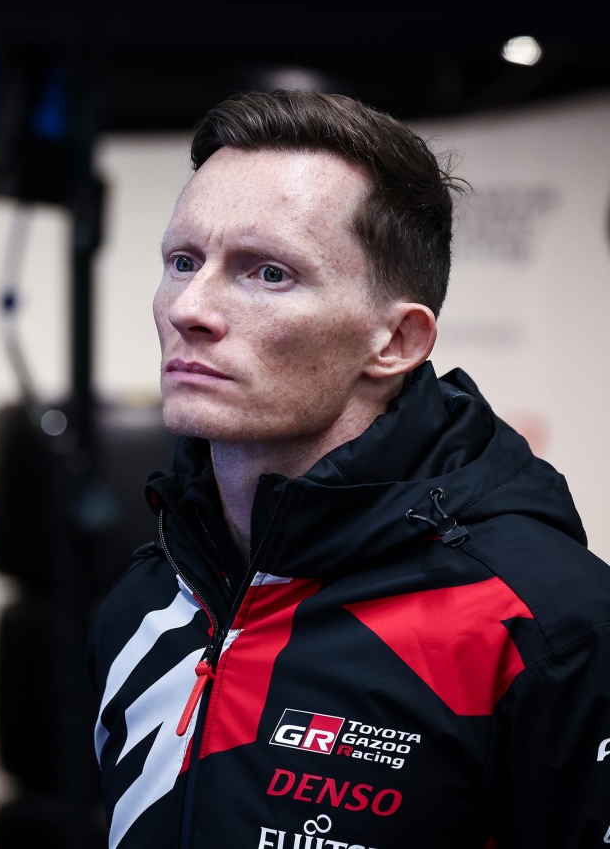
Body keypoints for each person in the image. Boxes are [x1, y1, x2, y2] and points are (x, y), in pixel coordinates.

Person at [87, 89, 610, 849]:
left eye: (268, 272)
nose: (188, 308)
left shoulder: (550, 624)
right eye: (183, 261)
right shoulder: (144, 602)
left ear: (396, 342)